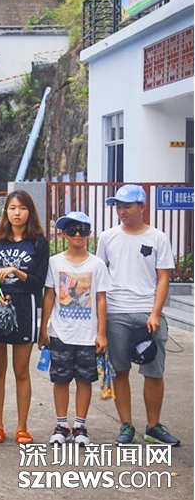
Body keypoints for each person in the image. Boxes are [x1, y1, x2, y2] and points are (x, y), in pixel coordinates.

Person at [96, 184, 180, 445]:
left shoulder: (158, 238)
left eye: (127, 206)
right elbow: (100, 276)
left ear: (142, 207)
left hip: (147, 313)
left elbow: (163, 278)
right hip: (116, 312)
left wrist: (155, 313)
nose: (122, 211)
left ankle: (153, 426)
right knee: (120, 370)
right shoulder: (107, 237)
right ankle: (126, 426)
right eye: (118, 206)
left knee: (153, 371)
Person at [39, 211, 109, 446]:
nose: (77, 234)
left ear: (90, 233)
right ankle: (61, 425)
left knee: (84, 380)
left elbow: (101, 299)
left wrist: (101, 333)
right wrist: (43, 329)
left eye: (83, 230)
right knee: (60, 380)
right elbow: (49, 296)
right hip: (61, 333)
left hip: (88, 335)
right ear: (63, 234)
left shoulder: (97, 264)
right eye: (72, 230)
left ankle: (80, 426)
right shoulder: (55, 262)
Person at [0, 190, 48, 445]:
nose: (17, 213)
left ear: (29, 212)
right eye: (12, 208)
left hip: (25, 306)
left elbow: (39, 282)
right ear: (6, 211)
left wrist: (16, 271)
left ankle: (22, 427)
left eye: (22, 208)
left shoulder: (38, 242)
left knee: (21, 370)